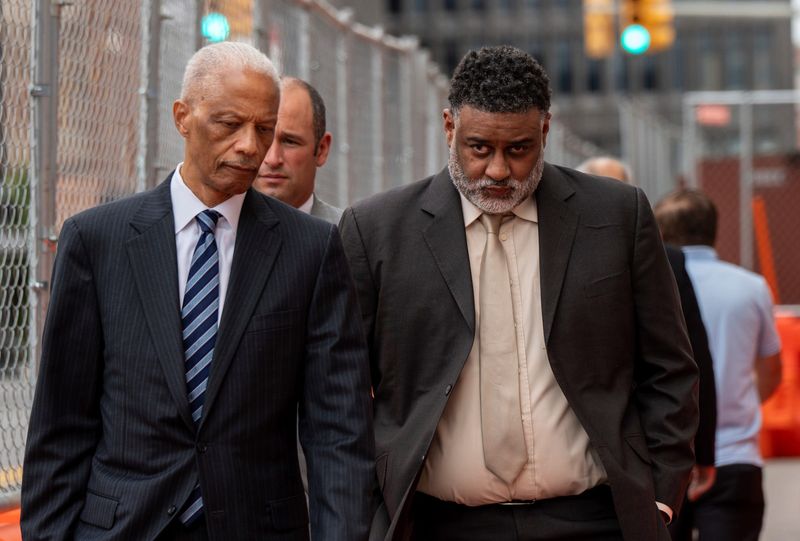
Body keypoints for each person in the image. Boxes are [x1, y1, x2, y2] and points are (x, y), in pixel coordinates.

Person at [340, 46, 698, 541]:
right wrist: (365, 515)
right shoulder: (376, 232)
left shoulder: (617, 217)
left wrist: (660, 498)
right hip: (439, 524)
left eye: (519, 148)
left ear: (546, 131)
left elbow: (670, 368)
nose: (499, 171)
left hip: (596, 520)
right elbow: (343, 392)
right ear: (449, 127)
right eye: (479, 147)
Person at [21, 41, 375, 541]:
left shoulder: (311, 249)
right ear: (182, 117)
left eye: (265, 128)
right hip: (123, 527)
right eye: (230, 124)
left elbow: (338, 431)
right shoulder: (97, 240)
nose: (252, 147)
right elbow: (61, 425)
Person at [577, 157, 718, 506]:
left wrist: (697, 451)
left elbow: (686, 360)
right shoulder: (539, 252)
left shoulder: (664, 258)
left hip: (643, 456)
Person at [653, 189, 782, 541]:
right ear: (713, 229)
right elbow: (772, 372)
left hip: (665, 459)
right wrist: (737, 404)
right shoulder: (752, 287)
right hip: (735, 454)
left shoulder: (650, 288)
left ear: (658, 233)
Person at [255, 77, 342, 224]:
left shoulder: (350, 238)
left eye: (289, 142)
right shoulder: (215, 234)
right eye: (263, 137)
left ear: (322, 150)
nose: (273, 159)